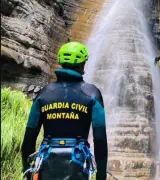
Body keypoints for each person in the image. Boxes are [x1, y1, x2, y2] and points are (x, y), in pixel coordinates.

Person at [21, 41, 108, 180]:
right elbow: (100, 139)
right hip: (78, 167)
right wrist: (101, 176)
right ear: (82, 64)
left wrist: (26, 172)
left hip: (47, 166)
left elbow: (29, 140)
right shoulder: (92, 93)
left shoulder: (44, 93)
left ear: (61, 62)